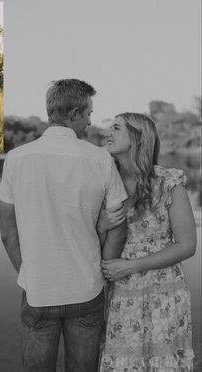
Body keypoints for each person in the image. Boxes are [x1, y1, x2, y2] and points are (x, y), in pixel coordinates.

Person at [0, 79, 127, 372]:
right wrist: (104, 269)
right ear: (73, 112)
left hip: (38, 291)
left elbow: (7, 233)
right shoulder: (100, 159)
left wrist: (29, 274)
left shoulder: (15, 159)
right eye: (88, 113)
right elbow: (119, 225)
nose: (91, 120)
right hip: (87, 289)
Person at [98, 113, 196, 371]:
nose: (108, 133)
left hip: (163, 289)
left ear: (137, 138)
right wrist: (102, 226)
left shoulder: (168, 182)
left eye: (116, 128)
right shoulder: (103, 182)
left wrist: (131, 265)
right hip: (120, 289)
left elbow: (187, 245)